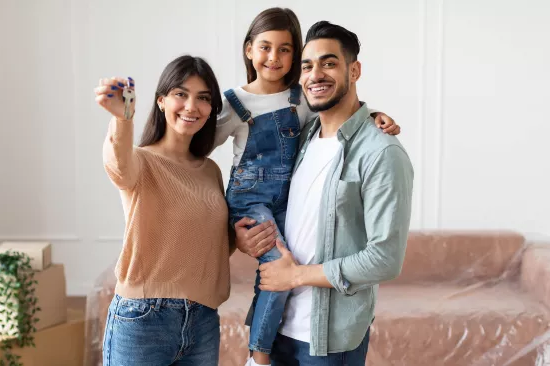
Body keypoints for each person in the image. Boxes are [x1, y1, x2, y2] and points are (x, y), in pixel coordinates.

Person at [212, 8, 401, 366]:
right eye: (308, 66)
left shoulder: (373, 148)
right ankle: (259, 351)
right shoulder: (305, 134)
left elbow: (385, 259)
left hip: (327, 339)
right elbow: (200, 148)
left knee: (278, 263)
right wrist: (236, 235)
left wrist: (374, 114)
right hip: (281, 324)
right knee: (272, 257)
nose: (315, 75)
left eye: (328, 64)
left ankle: (258, 354)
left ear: (354, 70)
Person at [96, 55, 232, 365]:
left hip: (203, 320)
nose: (191, 106)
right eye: (180, 94)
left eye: (203, 98)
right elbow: (117, 165)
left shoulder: (210, 171)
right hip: (143, 318)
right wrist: (122, 119)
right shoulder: (141, 161)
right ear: (161, 101)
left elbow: (211, 243)